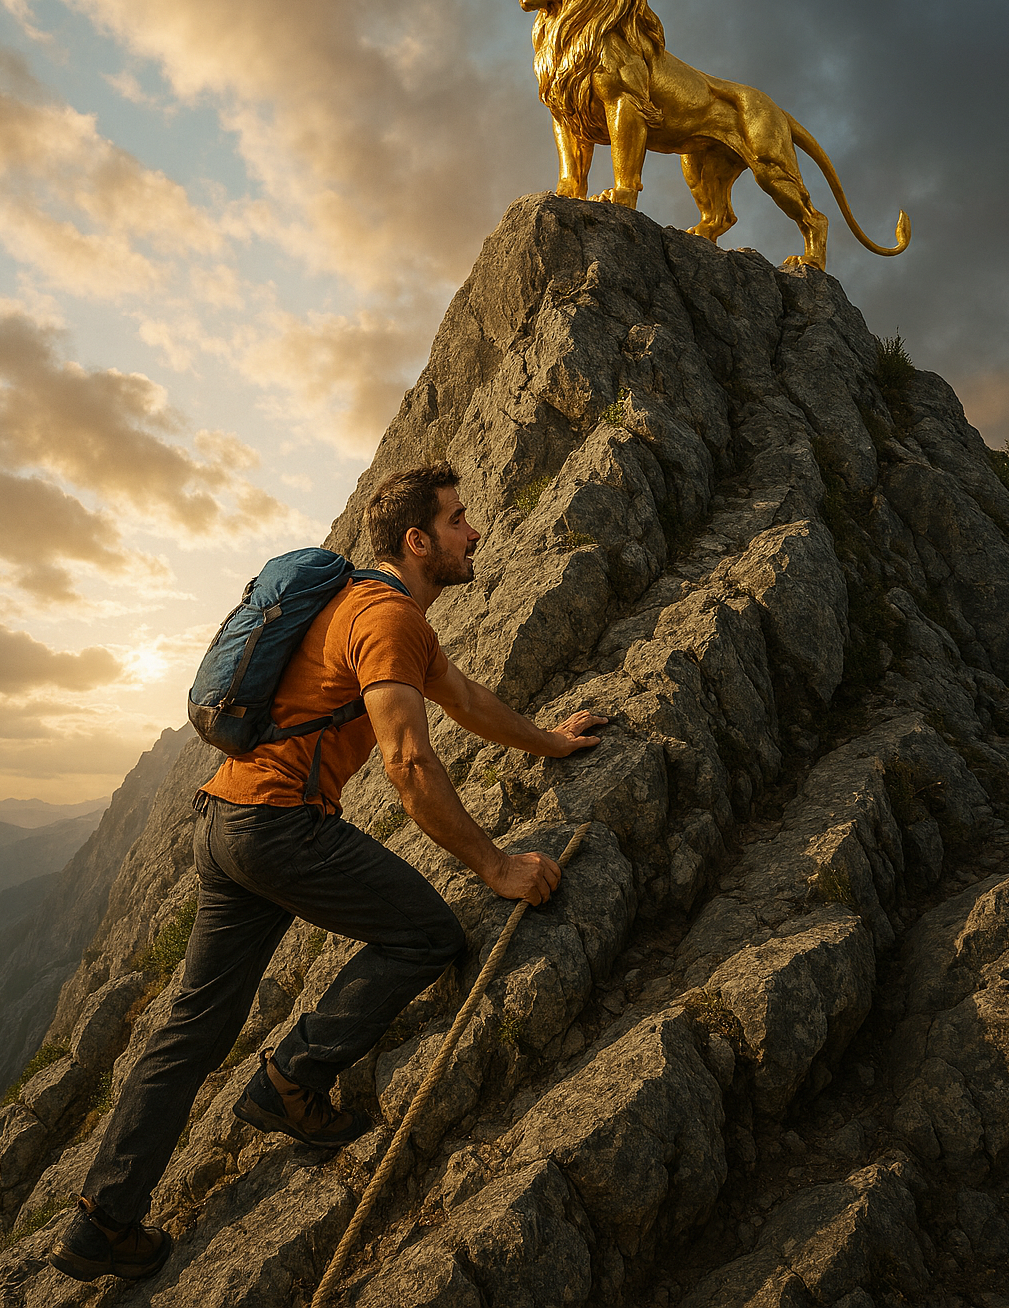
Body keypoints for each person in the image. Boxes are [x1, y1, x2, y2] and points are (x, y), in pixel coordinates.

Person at [50, 463, 606, 1283]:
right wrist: (494, 864)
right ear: (418, 541)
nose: (475, 532)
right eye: (458, 521)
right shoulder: (387, 619)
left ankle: (102, 1222)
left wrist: (552, 743)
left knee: (191, 1032)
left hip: (224, 821)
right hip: (279, 829)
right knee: (426, 934)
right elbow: (410, 763)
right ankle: (292, 1076)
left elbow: (461, 696)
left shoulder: (365, 606)